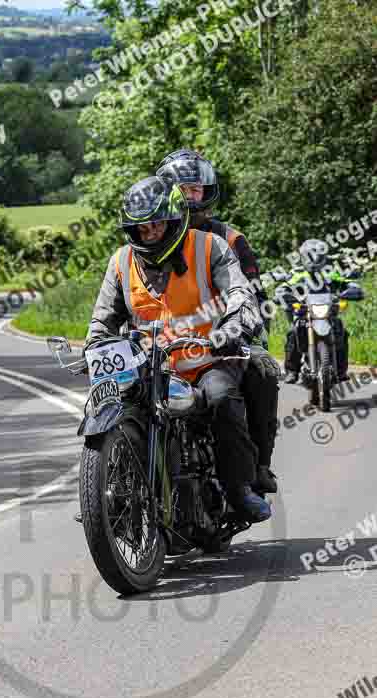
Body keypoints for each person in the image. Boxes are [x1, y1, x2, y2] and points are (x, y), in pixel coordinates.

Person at [84, 175, 271, 523]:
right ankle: (103, 489)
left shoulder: (209, 246)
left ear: (173, 219)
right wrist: (94, 344)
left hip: (208, 357)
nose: (150, 233)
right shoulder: (121, 261)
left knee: (221, 398)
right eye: (141, 228)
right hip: (149, 364)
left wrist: (234, 326)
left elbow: (240, 293)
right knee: (111, 400)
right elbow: (102, 319)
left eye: (156, 224)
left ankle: (239, 488)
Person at [156, 150, 279, 493]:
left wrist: (242, 333)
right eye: (178, 188)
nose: (186, 196)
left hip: (224, 343)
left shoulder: (231, 239)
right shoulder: (148, 237)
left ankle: (258, 465)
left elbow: (253, 296)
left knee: (262, 369)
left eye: (194, 189)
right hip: (165, 348)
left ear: (207, 192)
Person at [284, 239, 350, 384]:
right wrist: (282, 293)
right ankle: (292, 371)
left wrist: (352, 289)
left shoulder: (330, 273)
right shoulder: (297, 273)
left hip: (327, 313)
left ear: (323, 257)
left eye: (317, 256)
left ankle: (341, 370)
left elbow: (346, 282)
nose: (314, 259)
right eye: (310, 256)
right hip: (304, 312)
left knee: (342, 331)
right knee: (293, 332)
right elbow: (285, 286)